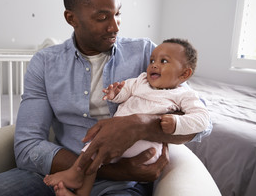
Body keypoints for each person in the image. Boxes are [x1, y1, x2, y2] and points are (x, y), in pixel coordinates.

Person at [0, 0, 211, 196]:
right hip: (57, 173)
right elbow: (27, 147)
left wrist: (139, 124)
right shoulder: (44, 63)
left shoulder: (146, 54)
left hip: (122, 186)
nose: (115, 26)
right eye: (102, 17)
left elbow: (197, 125)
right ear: (71, 18)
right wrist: (112, 170)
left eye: (118, 13)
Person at [43, 38, 210, 196]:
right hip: (116, 137)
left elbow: (202, 119)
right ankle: (81, 191)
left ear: (184, 74)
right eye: (152, 60)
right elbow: (125, 91)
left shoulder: (184, 94)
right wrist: (115, 94)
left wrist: (178, 123)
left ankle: (74, 174)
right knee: (94, 148)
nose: (154, 65)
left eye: (163, 61)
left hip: (145, 147)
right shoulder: (141, 80)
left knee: (98, 147)